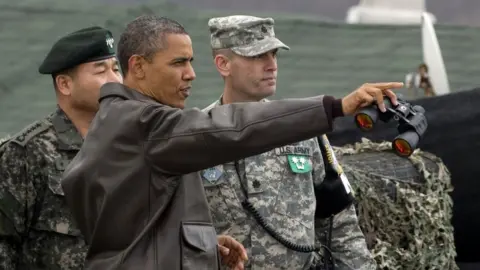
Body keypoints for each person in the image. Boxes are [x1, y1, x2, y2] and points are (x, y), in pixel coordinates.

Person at [59, 15, 403, 270]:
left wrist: (199, 248)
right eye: (178, 63)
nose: (190, 74)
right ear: (138, 67)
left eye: (191, 62)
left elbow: (137, 226)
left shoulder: (119, 121)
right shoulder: (144, 123)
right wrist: (336, 107)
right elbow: (230, 128)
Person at [201, 15, 376, 270]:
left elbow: (339, 222)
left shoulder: (302, 130)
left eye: (274, 55)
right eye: (258, 56)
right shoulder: (198, 136)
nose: (272, 65)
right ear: (223, 64)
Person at [0, 26, 122, 270]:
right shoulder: (26, 152)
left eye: (116, 69)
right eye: (101, 71)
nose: (115, 80)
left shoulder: (126, 146)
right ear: (65, 85)